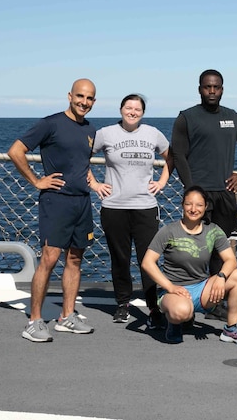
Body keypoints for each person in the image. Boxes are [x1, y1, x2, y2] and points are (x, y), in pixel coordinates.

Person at [8, 78, 97, 342]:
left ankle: (66, 317)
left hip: (82, 202)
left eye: (90, 98)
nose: (84, 102)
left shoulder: (90, 129)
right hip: (56, 201)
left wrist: (94, 182)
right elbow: (16, 151)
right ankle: (34, 321)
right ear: (70, 96)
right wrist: (36, 180)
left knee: (75, 259)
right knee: (49, 258)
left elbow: (81, 163)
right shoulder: (50, 123)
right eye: (80, 96)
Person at [89, 94, 173, 327]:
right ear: (121, 109)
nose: (132, 112)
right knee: (120, 258)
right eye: (128, 107)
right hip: (114, 207)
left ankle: (153, 307)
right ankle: (122, 303)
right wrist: (94, 184)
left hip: (145, 207)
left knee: (148, 259)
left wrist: (162, 182)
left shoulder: (153, 134)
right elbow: (82, 157)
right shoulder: (105, 134)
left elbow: (171, 157)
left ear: (143, 113)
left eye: (137, 109)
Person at [171, 69, 237, 321]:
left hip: (225, 194)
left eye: (216, 87)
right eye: (207, 87)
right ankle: (189, 299)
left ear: (222, 89)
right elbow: (178, 155)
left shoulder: (234, 117)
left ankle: (217, 302)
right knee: (193, 250)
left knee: (225, 251)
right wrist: (192, 188)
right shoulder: (187, 118)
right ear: (200, 89)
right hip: (199, 196)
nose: (212, 91)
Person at [140, 186, 237, 345]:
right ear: (182, 205)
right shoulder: (169, 231)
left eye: (199, 205)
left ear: (206, 207)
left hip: (202, 289)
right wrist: (170, 287)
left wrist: (221, 277)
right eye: (189, 204)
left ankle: (231, 329)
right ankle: (175, 324)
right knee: (182, 312)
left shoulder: (213, 230)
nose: (193, 209)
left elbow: (231, 260)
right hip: (174, 290)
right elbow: (147, 262)